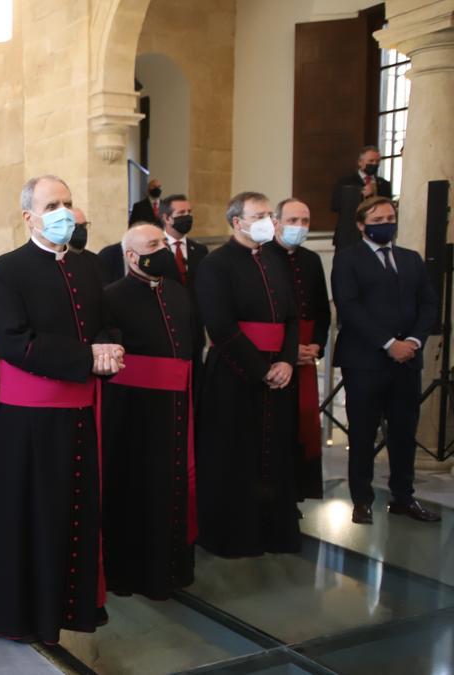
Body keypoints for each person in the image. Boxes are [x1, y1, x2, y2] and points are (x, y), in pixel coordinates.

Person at [0, 175, 123, 644]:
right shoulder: (9, 268)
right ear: (29, 217)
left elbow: (107, 323)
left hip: (79, 414)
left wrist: (110, 348)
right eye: (53, 204)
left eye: (69, 203)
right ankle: (21, 614)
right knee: (27, 518)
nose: (64, 212)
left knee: (73, 512)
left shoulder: (90, 266)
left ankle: (74, 603)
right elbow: (13, 341)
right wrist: (85, 357)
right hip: (28, 422)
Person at [194, 191, 301, 558]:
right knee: (235, 455)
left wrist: (286, 361)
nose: (269, 221)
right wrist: (261, 370)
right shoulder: (215, 265)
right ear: (237, 222)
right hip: (235, 373)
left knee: (275, 454)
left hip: (280, 372)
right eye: (260, 215)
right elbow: (221, 326)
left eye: (271, 215)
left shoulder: (274, 261)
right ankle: (235, 535)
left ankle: (275, 532)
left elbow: (291, 318)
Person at [101, 224, 197, 600]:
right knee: (136, 490)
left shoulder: (178, 292)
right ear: (131, 256)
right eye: (152, 245)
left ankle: (173, 570)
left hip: (177, 405)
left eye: (162, 243)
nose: (161, 250)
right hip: (134, 413)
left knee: (173, 487)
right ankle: (131, 575)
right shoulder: (110, 296)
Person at [332, 196, 440, 525]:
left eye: (390, 217)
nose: (385, 223)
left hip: (407, 360)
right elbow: (349, 307)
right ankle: (361, 500)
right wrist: (388, 343)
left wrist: (414, 341)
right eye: (377, 219)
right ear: (362, 225)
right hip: (365, 361)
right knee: (363, 433)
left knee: (404, 432)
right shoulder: (347, 259)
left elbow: (428, 305)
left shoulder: (410, 259)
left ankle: (403, 498)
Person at [264, 198, 331, 503]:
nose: (300, 227)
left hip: (307, 355)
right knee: (276, 428)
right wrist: (291, 350)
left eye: (305, 221)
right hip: (275, 356)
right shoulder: (262, 256)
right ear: (275, 222)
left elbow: (322, 310)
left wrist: (316, 344)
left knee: (304, 423)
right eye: (293, 220)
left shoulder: (311, 260)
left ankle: (298, 494)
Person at [158, 195, 207, 290]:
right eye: (181, 213)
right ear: (167, 219)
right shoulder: (155, 248)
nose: (187, 216)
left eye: (189, 212)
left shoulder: (200, 250)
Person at [331, 146, 393, 215]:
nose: (375, 164)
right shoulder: (345, 182)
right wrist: (360, 195)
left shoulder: (384, 184)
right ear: (360, 162)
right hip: (352, 224)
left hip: (376, 223)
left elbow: (389, 207)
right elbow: (335, 206)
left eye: (377, 161)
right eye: (371, 161)